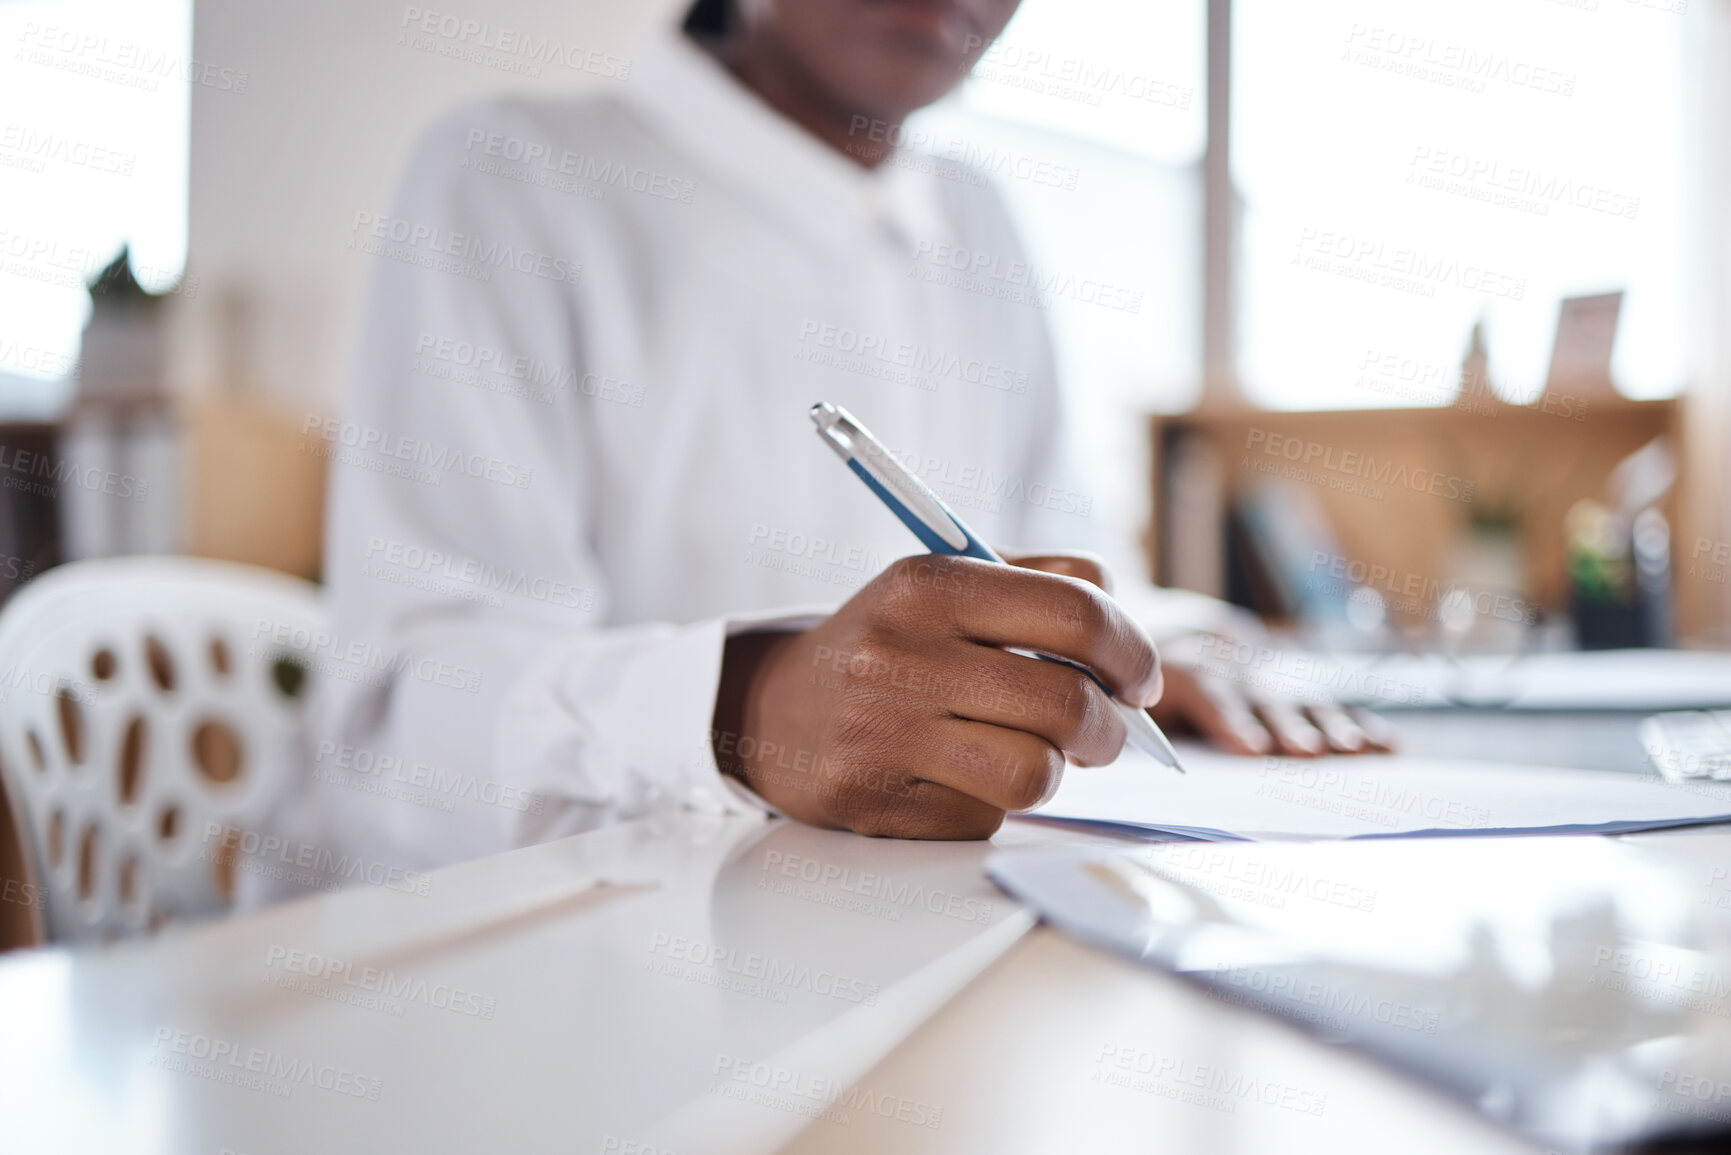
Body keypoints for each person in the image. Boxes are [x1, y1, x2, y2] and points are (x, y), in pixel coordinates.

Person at [315, 0, 1389, 871]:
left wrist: (1172, 644)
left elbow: (1059, 560)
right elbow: (398, 735)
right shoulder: (505, 175)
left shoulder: (978, 220)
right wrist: (745, 709)